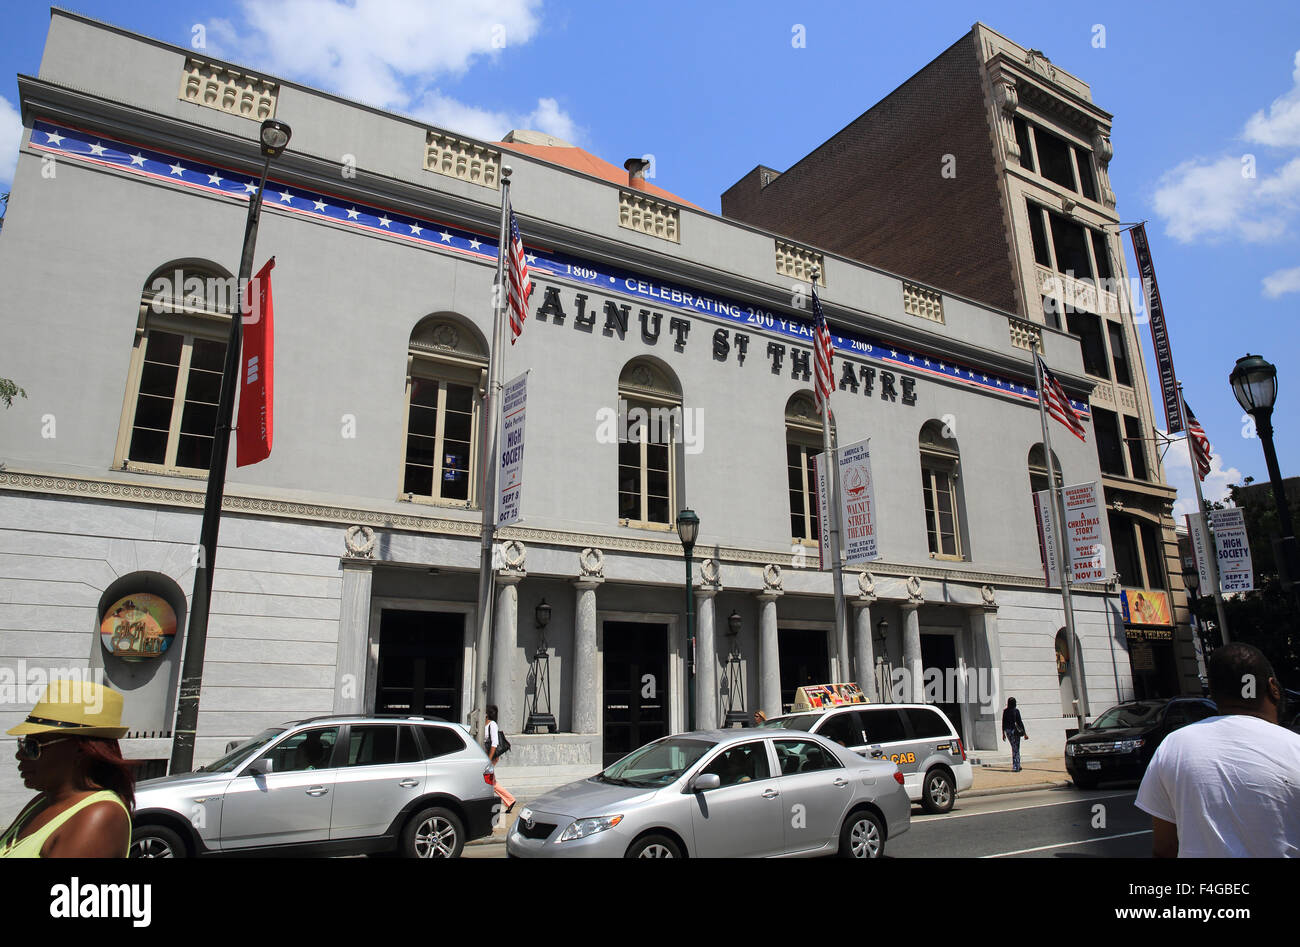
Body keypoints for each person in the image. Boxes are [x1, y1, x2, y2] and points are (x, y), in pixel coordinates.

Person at [1135, 642, 1300, 857]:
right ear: (1273, 687)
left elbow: (1164, 847)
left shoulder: (1173, 746)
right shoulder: (1294, 747)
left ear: (1212, 692)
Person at [1, 680, 134, 858]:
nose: (20, 755)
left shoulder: (99, 815)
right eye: (23, 744)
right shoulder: (42, 801)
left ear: (80, 750)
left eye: (33, 746)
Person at [483, 705, 516, 813]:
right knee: (490, 781)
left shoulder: (492, 725)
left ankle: (509, 800)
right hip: (485, 757)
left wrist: (489, 759)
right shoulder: (484, 724)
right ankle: (510, 800)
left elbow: (494, 743)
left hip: (490, 757)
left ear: (487, 714)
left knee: (489, 780)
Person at [1001, 697, 1027, 772]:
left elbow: (1003, 722)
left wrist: (1003, 733)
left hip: (1008, 731)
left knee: (1014, 748)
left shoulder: (1005, 711)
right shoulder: (1016, 711)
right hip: (1015, 732)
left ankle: (1017, 764)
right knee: (1016, 749)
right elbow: (1020, 722)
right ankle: (1016, 766)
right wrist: (1025, 733)